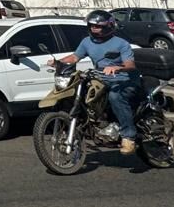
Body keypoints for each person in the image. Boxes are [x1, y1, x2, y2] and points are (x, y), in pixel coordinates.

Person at [49, 9, 141, 154]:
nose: (94, 28)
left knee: (115, 96)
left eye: (98, 26)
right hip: (101, 79)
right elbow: (75, 57)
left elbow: (130, 65)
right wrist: (58, 62)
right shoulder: (87, 42)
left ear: (109, 26)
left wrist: (117, 68)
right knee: (81, 92)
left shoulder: (121, 43)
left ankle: (128, 136)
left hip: (124, 80)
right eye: (92, 25)